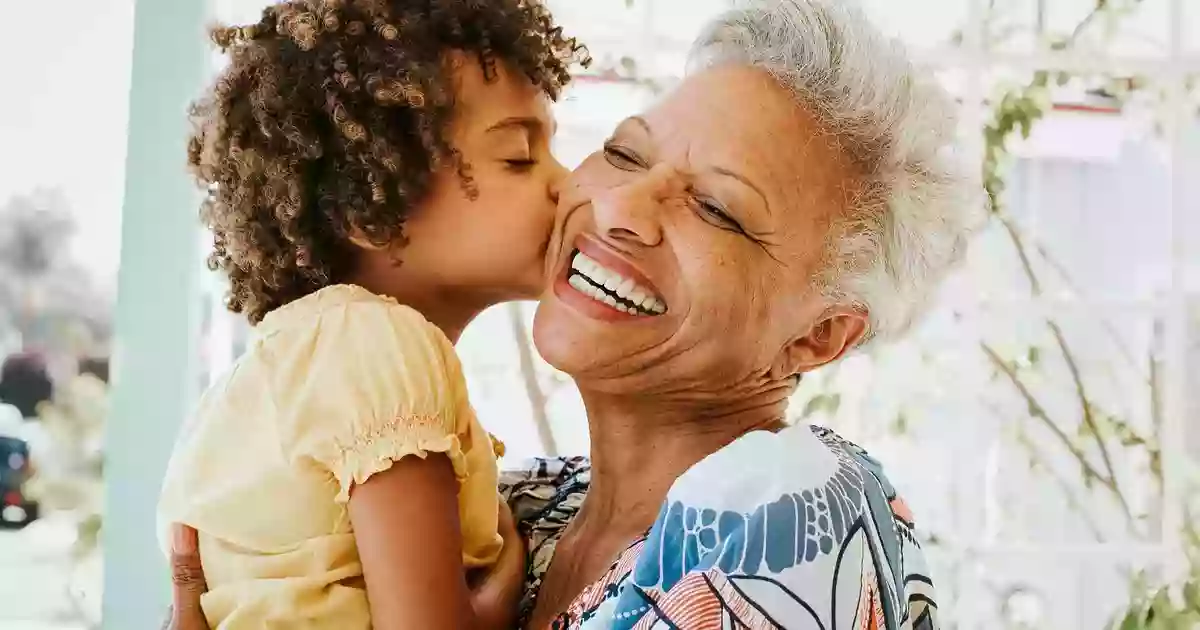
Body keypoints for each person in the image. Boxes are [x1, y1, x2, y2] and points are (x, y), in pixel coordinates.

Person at [167, 0, 981, 628]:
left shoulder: (788, 509)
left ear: (818, 334)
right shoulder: (518, 506)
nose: (618, 204)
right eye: (626, 153)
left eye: (718, 208)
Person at [157, 0, 587, 628]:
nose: (565, 181)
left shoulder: (297, 359)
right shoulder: (383, 343)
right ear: (370, 210)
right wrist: (494, 608)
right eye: (519, 157)